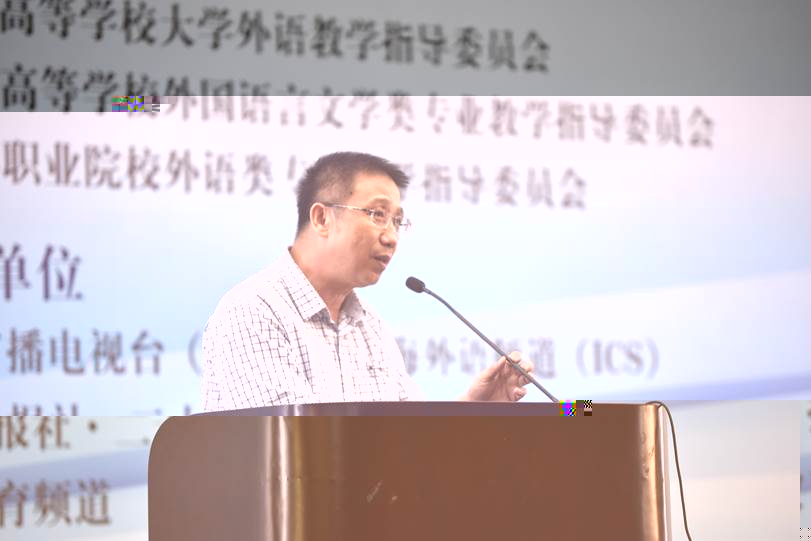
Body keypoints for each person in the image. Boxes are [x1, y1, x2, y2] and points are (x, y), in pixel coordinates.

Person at [201, 151, 535, 412]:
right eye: (377, 215)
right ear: (321, 218)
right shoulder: (253, 311)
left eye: (398, 222)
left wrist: (473, 409)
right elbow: (291, 450)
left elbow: (413, 437)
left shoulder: (369, 326)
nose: (391, 237)